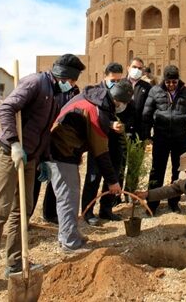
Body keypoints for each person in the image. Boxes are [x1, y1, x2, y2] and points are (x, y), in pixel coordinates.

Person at [0, 54, 86, 299]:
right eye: (71, 79)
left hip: (31, 157)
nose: (72, 84)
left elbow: (45, 131)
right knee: (0, 211)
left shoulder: (56, 95)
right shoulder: (35, 83)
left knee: (21, 212)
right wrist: (13, 143)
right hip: (9, 154)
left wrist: (43, 158)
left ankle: (14, 263)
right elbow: (6, 108)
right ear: (63, 75)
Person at [48, 79, 133, 252]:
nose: (123, 107)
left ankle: (69, 234)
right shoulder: (97, 111)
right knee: (68, 198)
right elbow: (101, 152)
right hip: (61, 151)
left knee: (71, 195)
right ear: (118, 101)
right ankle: (69, 243)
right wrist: (112, 181)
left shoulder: (94, 96)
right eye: (123, 103)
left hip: (65, 149)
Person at [142, 65, 186, 215]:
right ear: (164, 80)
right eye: (168, 82)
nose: (171, 85)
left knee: (178, 171)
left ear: (178, 80)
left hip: (180, 138)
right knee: (157, 171)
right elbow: (146, 115)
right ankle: (152, 204)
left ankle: (173, 203)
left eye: (174, 82)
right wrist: (146, 135)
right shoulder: (155, 91)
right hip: (161, 138)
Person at [81, 63, 131, 225]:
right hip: (98, 140)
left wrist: (122, 126)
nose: (115, 83)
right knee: (94, 176)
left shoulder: (122, 93)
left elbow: (129, 113)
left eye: (118, 80)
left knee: (114, 174)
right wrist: (110, 124)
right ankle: (88, 212)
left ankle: (106, 209)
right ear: (105, 77)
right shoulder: (97, 93)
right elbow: (95, 117)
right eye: (112, 80)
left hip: (116, 142)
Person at [32, 83, 81, 225]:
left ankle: (50, 213)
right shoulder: (47, 90)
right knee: (35, 180)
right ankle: (25, 217)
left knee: (55, 178)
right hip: (40, 138)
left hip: (59, 140)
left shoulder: (74, 91)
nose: (70, 83)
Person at [117, 57, 152, 198]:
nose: (137, 70)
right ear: (128, 67)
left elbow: (149, 112)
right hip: (120, 133)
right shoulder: (119, 84)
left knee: (134, 167)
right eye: (134, 67)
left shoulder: (146, 87)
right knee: (119, 166)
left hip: (139, 134)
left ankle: (129, 195)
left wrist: (147, 135)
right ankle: (116, 196)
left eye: (140, 68)